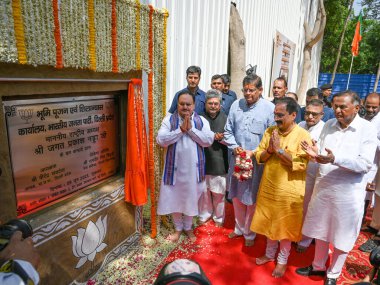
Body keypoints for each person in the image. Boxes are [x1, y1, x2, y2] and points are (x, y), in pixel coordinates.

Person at [296, 90, 378, 285]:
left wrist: (335, 158)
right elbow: (323, 151)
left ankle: (333, 274)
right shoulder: (329, 125)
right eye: (335, 106)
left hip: (348, 194)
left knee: (342, 237)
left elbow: (365, 164)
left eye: (343, 106)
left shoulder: (367, 129)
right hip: (323, 187)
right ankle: (317, 267)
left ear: (357, 108)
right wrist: (315, 152)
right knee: (320, 231)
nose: (338, 110)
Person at [251, 97, 312, 278]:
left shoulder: (303, 135)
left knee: (284, 226)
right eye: (275, 114)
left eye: (281, 115)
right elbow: (259, 156)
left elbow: (302, 164)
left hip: (290, 189)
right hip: (270, 185)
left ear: (293, 115)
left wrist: (279, 150)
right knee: (270, 221)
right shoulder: (271, 131)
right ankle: (269, 255)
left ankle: (282, 261)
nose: (276, 118)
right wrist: (270, 150)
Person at [224, 74, 275, 247]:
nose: (247, 93)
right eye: (245, 90)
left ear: (260, 90)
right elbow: (228, 131)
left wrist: (255, 152)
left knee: (251, 197)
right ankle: (239, 228)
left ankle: (250, 234)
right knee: (237, 196)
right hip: (237, 159)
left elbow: (272, 137)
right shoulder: (235, 105)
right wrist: (234, 146)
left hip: (256, 162)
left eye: (251, 90)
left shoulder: (269, 108)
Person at [157, 91, 214, 242]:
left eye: (188, 104)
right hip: (174, 170)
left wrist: (191, 130)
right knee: (175, 199)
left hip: (193, 171)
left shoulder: (201, 121)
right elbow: (161, 140)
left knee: (191, 199)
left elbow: (208, 141)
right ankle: (178, 229)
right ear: (177, 104)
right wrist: (180, 130)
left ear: (194, 105)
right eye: (182, 104)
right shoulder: (169, 120)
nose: (185, 107)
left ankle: (188, 228)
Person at [296, 99, 325, 253]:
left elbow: (325, 154)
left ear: (322, 114)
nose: (310, 117)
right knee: (296, 206)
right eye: (307, 113)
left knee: (309, 208)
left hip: (313, 173)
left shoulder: (325, 129)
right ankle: (295, 234)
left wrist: (315, 151)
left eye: (314, 114)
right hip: (296, 171)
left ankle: (306, 240)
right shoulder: (299, 125)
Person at [198, 89, 229, 227]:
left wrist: (221, 138)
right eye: (210, 103)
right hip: (202, 161)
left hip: (219, 162)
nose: (213, 106)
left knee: (218, 193)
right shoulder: (199, 118)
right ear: (205, 104)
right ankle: (205, 215)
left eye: (216, 103)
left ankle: (219, 218)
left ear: (220, 104)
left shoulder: (226, 118)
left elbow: (231, 137)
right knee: (204, 192)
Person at [359, 93, 380, 253]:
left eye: (375, 107)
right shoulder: (362, 117)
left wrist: (371, 139)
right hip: (365, 165)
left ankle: (377, 239)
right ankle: (373, 226)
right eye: (369, 106)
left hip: (374, 165)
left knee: (368, 196)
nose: (371, 109)